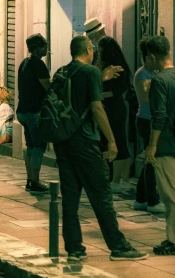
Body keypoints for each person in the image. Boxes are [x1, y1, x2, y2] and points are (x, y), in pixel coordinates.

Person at [54, 35, 146, 262]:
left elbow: (76, 95)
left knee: (70, 197)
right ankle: (118, 246)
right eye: (92, 49)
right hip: (85, 142)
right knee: (101, 195)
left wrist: (102, 77)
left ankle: (74, 248)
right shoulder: (91, 72)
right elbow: (96, 107)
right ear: (88, 49)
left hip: (63, 142)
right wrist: (112, 140)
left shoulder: (62, 72)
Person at [143, 35, 175, 256]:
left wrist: (152, 146)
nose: (146, 63)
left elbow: (159, 115)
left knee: (173, 197)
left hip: (166, 145)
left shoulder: (159, 80)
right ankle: (173, 237)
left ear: (153, 56)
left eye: (146, 58)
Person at [96, 36, 132, 192]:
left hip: (114, 109)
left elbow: (118, 90)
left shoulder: (117, 68)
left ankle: (116, 181)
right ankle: (123, 180)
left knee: (118, 141)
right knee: (115, 141)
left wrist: (100, 95)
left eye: (101, 50)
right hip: (109, 108)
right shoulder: (104, 67)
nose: (98, 52)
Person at [17, 33, 51, 193]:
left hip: (22, 110)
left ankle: (30, 180)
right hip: (34, 112)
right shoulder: (39, 65)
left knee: (30, 146)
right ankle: (35, 181)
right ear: (37, 48)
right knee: (38, 146)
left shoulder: (24, 63)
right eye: (44, 46)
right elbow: (47, 88)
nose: (46, 49)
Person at [133, 38, 163, 213]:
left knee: (148, 160)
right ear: (148, 57)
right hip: (146, 121)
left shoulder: (153, 73)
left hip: (150, 120)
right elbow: (144, 98)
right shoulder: (142, 74)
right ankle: (152, 199)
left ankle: (141, 198)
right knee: (151, 160)